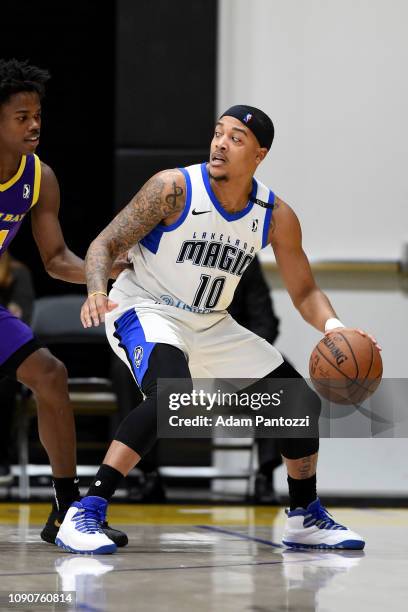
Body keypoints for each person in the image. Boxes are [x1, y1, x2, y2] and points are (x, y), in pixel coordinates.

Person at [56, 104, 380, 554]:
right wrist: (95, 289)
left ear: (259, 154)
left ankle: (304, 515)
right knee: (171, 395)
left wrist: (334, 327)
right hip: (146, 308)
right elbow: (104, 243)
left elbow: (305, 292)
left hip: (211, 323)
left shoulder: (274, 214)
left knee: (297, 399)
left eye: (235, 138)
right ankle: (85, 511)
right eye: (217, 133)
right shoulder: (172, 188)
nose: (220, 144)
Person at [0, 58, 127, 546]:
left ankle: (65, 508)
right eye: (21, 117)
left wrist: (112, 270)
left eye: (37, 115)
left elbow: (55, 259)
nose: (34, 125)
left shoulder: (39, 177)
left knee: (50, 375)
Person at [227, 255, 283, 504]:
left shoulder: (244, 258)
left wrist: (242, 358)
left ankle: (266, 474)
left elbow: (266, 321)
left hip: (236, 359)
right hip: (183, 354)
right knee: (127, 371)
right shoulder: (174, 250)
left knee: (280, 380)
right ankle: (146, 475)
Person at [0, 251, 35, 483]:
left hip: (7, 349)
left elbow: (21, 320)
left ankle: (2, 456)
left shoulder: (17, 274)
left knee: (6, 379)